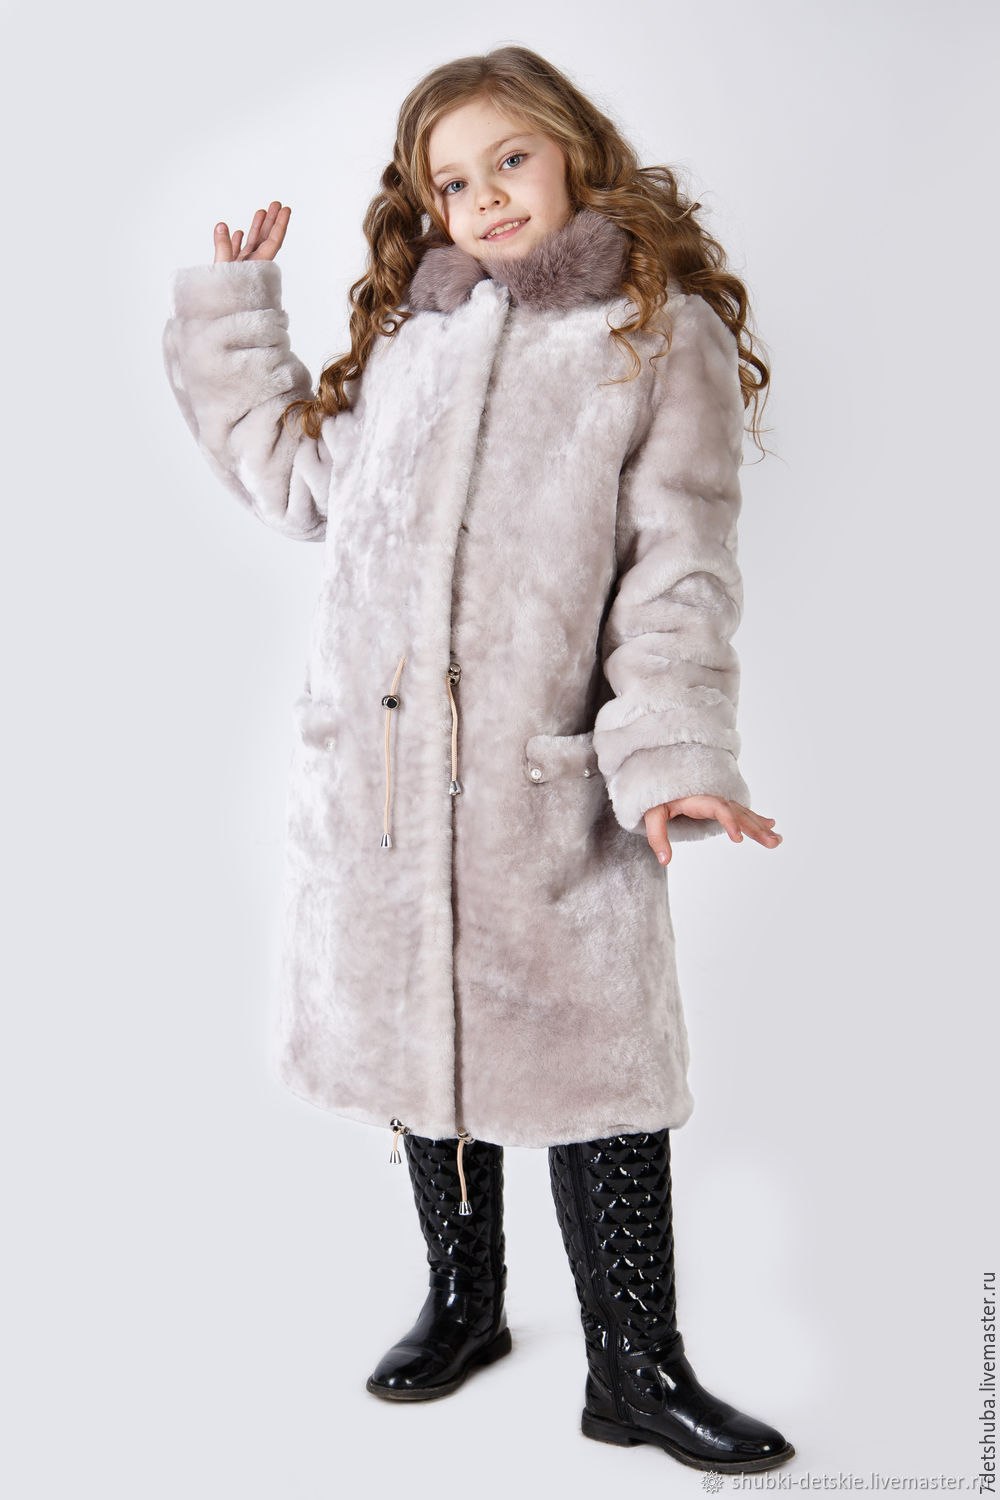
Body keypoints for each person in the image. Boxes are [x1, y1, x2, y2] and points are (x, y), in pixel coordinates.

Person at [161, 43, 793, 1473]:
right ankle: (466, 1301)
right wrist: (236, 321)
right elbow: (298, 483)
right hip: (381, 791)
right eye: (453, 181)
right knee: (419, 1044)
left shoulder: (654, 333)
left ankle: (636, 1365)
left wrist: (672, 754)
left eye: (510, 159)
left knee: (596, 1063)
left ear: (572, 150)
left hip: (538, 784)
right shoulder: (414, 338)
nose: (487, 196)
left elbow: (677, 568)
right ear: (427, 205)